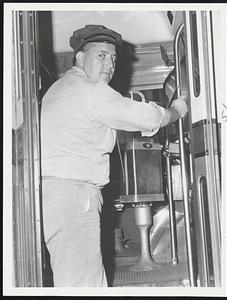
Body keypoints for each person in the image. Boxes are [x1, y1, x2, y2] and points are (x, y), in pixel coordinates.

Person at [40, 24, 188, 287]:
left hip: (55, 194)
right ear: (80, 58)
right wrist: (175, 110)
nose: (110, 64)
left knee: (70, 277)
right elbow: (146, 116)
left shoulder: (59, 88)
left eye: (114, 58)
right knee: (84, 282)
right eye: (101, 55)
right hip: (75, 196)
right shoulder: (91, 90)